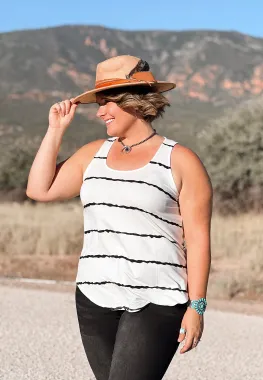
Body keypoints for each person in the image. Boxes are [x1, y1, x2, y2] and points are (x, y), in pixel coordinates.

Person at [26, 55, 212, 380]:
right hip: (94, 297)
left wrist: (196, 307)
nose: (100, 112)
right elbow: (40, 190)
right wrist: (55, 130)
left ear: (135, 101)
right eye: (99, 103)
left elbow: (197, 240)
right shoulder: (92, 154)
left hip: (158, 299)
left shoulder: (180, 160)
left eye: (108, 102)